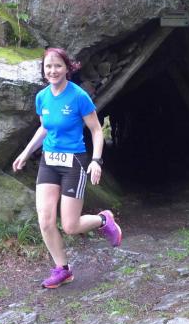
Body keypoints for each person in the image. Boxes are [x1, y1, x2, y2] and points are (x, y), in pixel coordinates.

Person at [12, 47, 122, 289]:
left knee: (70, 226)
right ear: (43, 70)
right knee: (45, 220)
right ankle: (62, 270)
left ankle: (103, 220)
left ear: (67, 68)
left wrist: (96, 160)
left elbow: (96, 130)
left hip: (74, 162)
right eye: (48, 66)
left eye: (57, 66)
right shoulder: (42, 97)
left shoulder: (78, 96)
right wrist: (26, 152)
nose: (53, 70)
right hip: (49, 161)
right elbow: (45, 128)